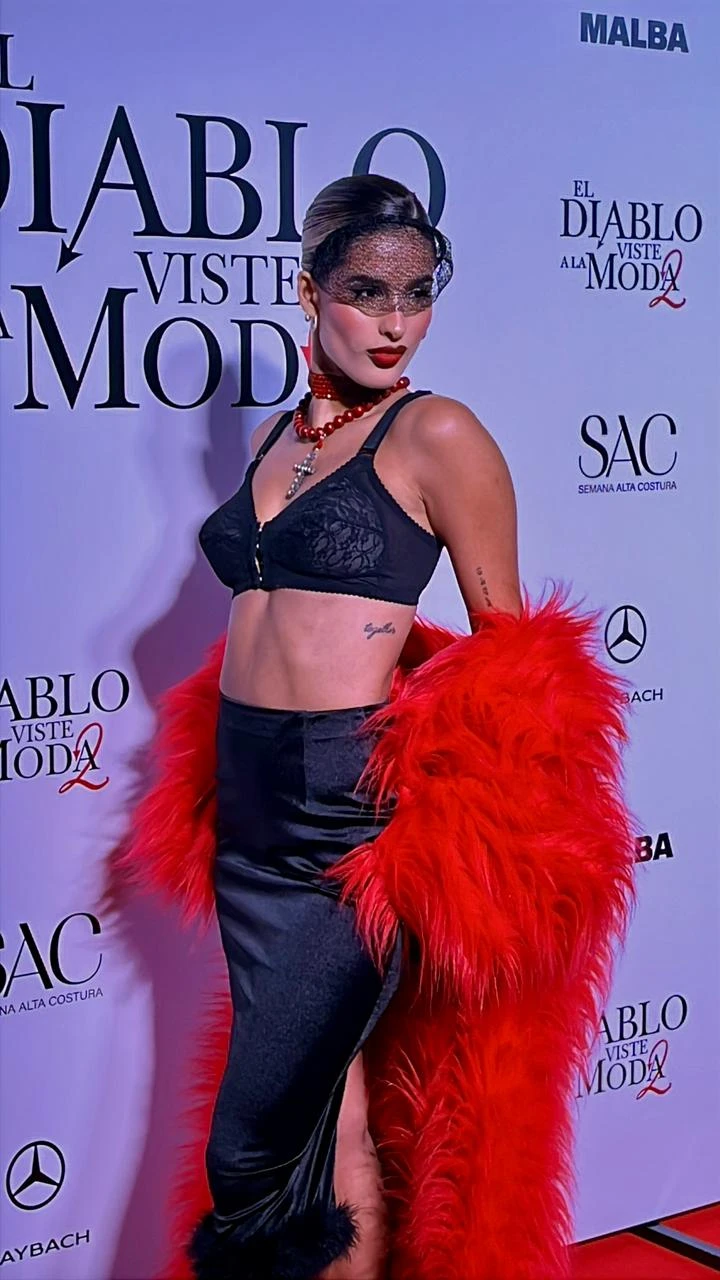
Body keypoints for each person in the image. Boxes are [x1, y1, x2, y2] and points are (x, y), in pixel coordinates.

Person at [117, 174, 637, 1280]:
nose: (397, 320)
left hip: (342, 828)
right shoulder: (279, 437)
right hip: (248, 812)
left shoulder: (436, 431)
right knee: (328, 1114)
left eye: (418, 292)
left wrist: (450, 805)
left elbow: (509, 652)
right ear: (310, 292)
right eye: (367, 291)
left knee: (250, 1152)